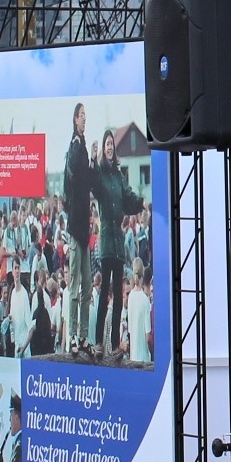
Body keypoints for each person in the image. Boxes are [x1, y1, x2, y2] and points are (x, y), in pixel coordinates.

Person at [93, 129, 134, 357]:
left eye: (111, 144)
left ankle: (115, 344)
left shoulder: (118, 176)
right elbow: (94, 184)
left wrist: (139, 203)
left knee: (118, 294)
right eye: (107, 143)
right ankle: (99, 342)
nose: (110, 147)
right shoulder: (101, 173)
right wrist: (93, 160)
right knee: (104, 293)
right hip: (107, 239)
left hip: (118, 242)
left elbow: (128, 195)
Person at [61, 104, 96, 351]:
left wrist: (93, 159)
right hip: (75, 228)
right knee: (74, 287)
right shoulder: (74, 146)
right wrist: (85, 158)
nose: (85, 119)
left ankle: (83, 335)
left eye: (86, 116)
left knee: (86, 284)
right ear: (75, 119)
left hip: (84, 228)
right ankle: (73, 335)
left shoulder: (82, 147)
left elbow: (88, 182)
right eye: (82, 115)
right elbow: (75, 180)